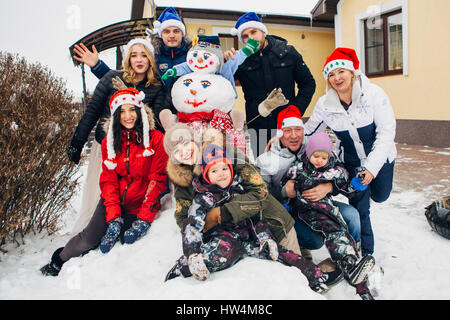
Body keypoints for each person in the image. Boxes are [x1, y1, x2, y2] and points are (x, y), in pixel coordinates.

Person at [165, 143, 338, 294]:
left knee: (281, 254)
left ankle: (316, 276)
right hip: (223, 239)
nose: (222, 174)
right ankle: (185, 266)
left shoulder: (239, 186)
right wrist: (192, 253)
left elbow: (256, 217)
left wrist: (266, 239)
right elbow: (191, 226)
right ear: (206, 174)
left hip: (249, 238)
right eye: (214, 170)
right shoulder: (203, 198)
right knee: (226, 251)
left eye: (225, 168)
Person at [40, 88, 168, 276]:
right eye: (122, 111)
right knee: (89, 238)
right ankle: (59, 260)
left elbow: (157, 179)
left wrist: (144, 218)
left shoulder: (156, 139)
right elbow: (109, 181)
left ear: (140, 111)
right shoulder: (111, 142)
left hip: (141, 203)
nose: (128, 116)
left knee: (124, 244)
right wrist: (113, 216)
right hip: (114, 201)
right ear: (115, 116)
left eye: (132, 110)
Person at [304, 47, 397, 258]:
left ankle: (371, 188)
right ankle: (365, 254)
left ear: (352, 72)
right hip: (352, 162)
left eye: (341, 72)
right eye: (331, 74)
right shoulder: (325, 103)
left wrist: (372, 169)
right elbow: (309, 131)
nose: (337, 78)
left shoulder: (373, 94)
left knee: (381, 196)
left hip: (380, 157)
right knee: (361, 208)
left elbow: (386, 132)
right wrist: (282, 137)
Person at [67, 37, 166, 234]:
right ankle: (93, 230)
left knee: (129, 195)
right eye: (134, 55)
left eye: (144, 55)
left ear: (150, 60)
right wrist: (77, 142)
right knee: (102, 191)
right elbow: (92, 111)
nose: (139, 60)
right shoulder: (110, 78)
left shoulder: (156, 87)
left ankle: (123, 225)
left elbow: (157, 124)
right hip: (108, 147)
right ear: (128, 58)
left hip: (139, 154)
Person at [163, 123, 302, 256]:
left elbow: (260, 193)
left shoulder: (226, 152)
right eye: (176, 151)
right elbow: (183, 216)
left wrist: (221, 213)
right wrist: (199, 229)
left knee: (295, 271)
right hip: (235, 240)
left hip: (271, 224)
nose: (184, 152)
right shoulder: (182, 177)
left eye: (186, 143)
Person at [256, 105, 361, 257]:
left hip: (321, 205)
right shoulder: (266, 161)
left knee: (351, 215)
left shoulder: (316, 148)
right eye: (288, 130)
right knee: (315, 241)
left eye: (298, 129)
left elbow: (337, 173)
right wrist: (284, 191)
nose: (294, 136)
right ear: (279, 133)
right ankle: (299, 246)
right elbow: (259, 195)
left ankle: (353, 255)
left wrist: (329, 187)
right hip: (290, 212)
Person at [281, 132, 376, 299]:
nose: (319, 160)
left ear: (329, 156)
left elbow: (345, 187)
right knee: (334, 233)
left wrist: (353, 185)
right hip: (308, 211)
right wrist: (286, 201)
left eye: (323, 157)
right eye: (316, 156)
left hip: (328, 209)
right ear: (309, 153)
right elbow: (285, 186)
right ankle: (351, 266)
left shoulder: (334, 170)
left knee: (341, 233)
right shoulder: (299, 168)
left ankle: (353, 268)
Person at [226, 12, 316, 156]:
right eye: (245, 36)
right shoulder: (240, 60)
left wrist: (295, 111)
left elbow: (308, 83)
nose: (250, 38)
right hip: (258, 126)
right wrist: (228, 63)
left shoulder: (288, 52)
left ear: (262, 31)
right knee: (264, 169)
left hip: (286, 125)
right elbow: (224, 84)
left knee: (290, 168)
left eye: (253, 32)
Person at [72, 6, 191, 96]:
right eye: (166, 31)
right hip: (157, 115)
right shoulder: (152, 57)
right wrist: (97, 65)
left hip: (188, 113)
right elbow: (125, 79)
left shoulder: (192, 56)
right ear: (161, 34)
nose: (171, 35)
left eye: (176, 31)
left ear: (182, 33)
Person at [161, 34, 259, 98]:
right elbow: (185, 67)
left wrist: (246, 51)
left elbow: (235, 59)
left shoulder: (222, 67)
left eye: (206, 57)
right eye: (195, 55)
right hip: (195, 103)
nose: (199, 60)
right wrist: (173, 71)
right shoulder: (193, 66)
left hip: (218, 104)